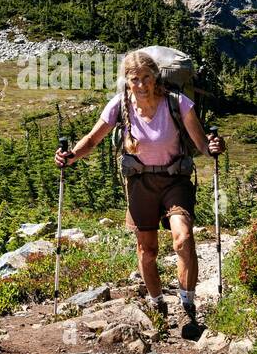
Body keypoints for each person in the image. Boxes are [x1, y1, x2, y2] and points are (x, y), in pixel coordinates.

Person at [54, 49, 224, 329]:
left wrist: (214, 147)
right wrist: (71, 155)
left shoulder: (177, 102)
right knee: (147, 249)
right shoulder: (119, 105)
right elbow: (93, 139)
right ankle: (157, 303)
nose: (142, 85)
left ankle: (187, 304)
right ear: (126, 81)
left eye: (146, 77)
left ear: (155, 76)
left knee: (183, 238)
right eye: (135, 79)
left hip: (175, 179)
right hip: (140, 182)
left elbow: (202, 145)